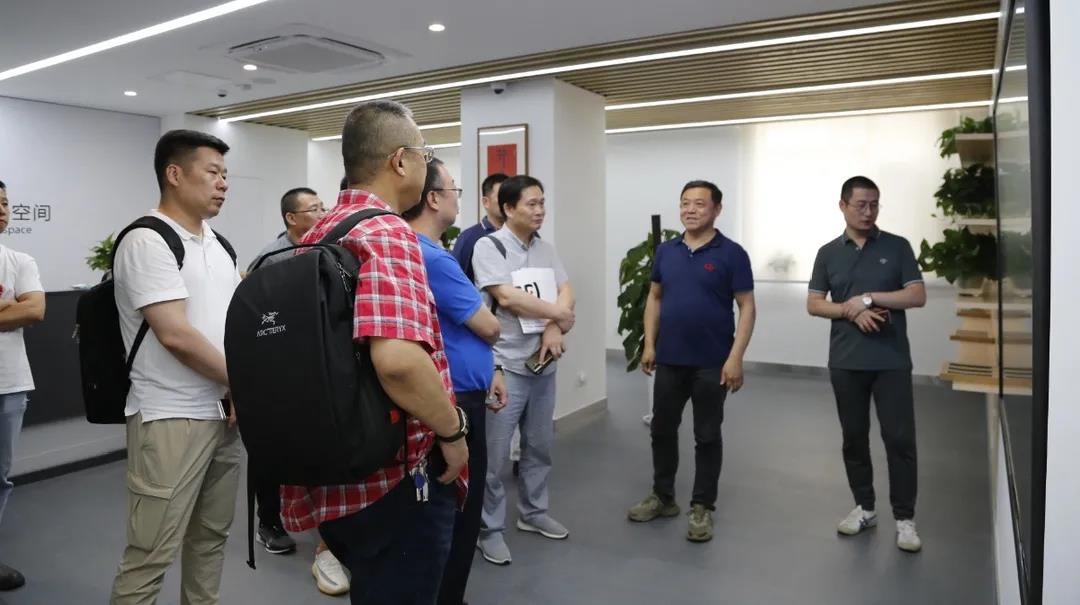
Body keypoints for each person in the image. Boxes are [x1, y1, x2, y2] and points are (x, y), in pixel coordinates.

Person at [279, 100, 468, 605]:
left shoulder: (320, 232)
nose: (427, 160)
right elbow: (399, 363)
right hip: (393, 479)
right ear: (401, 161)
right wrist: (453, 432)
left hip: (337, 465)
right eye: (424, 151)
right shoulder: (387, 233)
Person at [110, 130, 242, 604]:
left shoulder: (219, 245)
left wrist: (236, 390)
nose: (223, 183)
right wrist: (246, 383)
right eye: (213, 172)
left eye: (225, 174)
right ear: (174, 174)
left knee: (210, 540)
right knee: (150, 555)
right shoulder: (147, 240)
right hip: (170, 416)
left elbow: (230, 326)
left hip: (222, 414)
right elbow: (176, 335)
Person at [627, 180, 756, 543]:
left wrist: (736, 358)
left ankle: (702, 506)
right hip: (670, 359)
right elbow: (655, 297)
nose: (690, 210)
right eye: (685, 203)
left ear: (717, 209)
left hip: (713, 362)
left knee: (707, 434)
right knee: (662, 429)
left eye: (699, 203)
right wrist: (649, 343)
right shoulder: (666, 251)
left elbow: (746, 306)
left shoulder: (732, 253)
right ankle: (663, 496)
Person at [402, 158, 507, 605]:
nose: (457, 199)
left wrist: (493, 369)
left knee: (437, 507)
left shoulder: (406, 248)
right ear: (432, 198)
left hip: (444, 392)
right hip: (457, 401)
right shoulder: (433, 257)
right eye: (453, 189)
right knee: (460, 510)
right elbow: (489, 326)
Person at [806, 175, 926, 553]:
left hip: (891, 361)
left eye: (874, 204)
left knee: (899, 439)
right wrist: (851, 309)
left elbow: (916, 295)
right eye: (861, 204)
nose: (868, 211)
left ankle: (905, 519)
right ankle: (865, 507)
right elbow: (814, 304)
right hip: (846, 362)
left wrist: (870, 298)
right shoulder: (828, 253)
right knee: (854, 438)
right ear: (842, 206)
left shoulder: (897, 246)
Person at [472, 175, 575, 566]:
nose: (539, 210)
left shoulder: (545, 248)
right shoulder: (490, 246)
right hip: (505, 366)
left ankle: (533, 512)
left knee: (539, 446)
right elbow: (507, 296)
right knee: (494, 456)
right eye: (531, 204)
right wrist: (560, 315)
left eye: (542, 203)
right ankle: (489, 529)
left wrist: (554, 326)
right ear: (509, 208)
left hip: (543, 363)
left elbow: (565, 289)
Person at [0, 179, 46, 592]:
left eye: (4, 203)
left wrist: (19, 307)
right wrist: (8, 307)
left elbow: (34, 311)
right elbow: (19, 308)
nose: (2, 210)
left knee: (0, 476)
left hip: (10, 384)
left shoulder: (19, 260)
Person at [246, 187, 327, 272]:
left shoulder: (323, 247)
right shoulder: (272, 258)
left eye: (323, 209)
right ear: (291, 218)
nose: (323, 215)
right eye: (314, 209)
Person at [452, 172, 508, 282]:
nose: (507, 202)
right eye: (501, 197)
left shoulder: (523, 234)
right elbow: (457, 279)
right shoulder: (468, 238)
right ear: (486, 202)